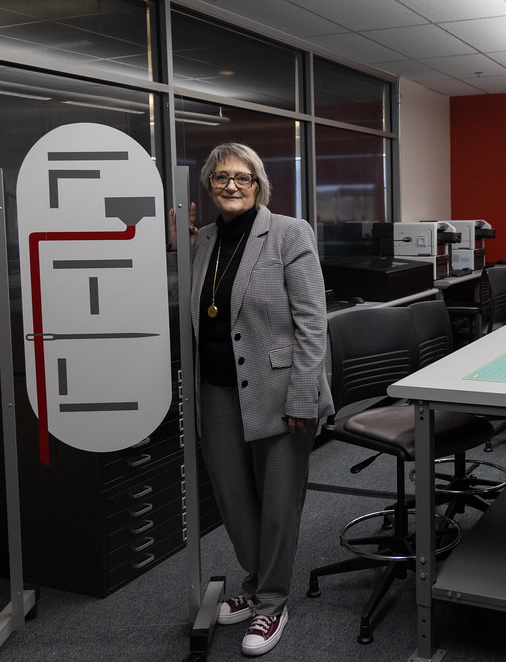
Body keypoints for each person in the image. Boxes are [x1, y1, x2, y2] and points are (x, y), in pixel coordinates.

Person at [172, 143, 333, 656]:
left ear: (259, 184)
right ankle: (257, 580)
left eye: (242, 177)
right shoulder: (203, 241)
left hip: (282, 390)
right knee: (233, 498)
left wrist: (303, 396)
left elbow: (313, 321)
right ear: (209, 186)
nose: (231, 185)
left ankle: (270, 603)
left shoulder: (289, 233)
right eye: (220, 177)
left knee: (279, 503)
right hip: (218, 390)